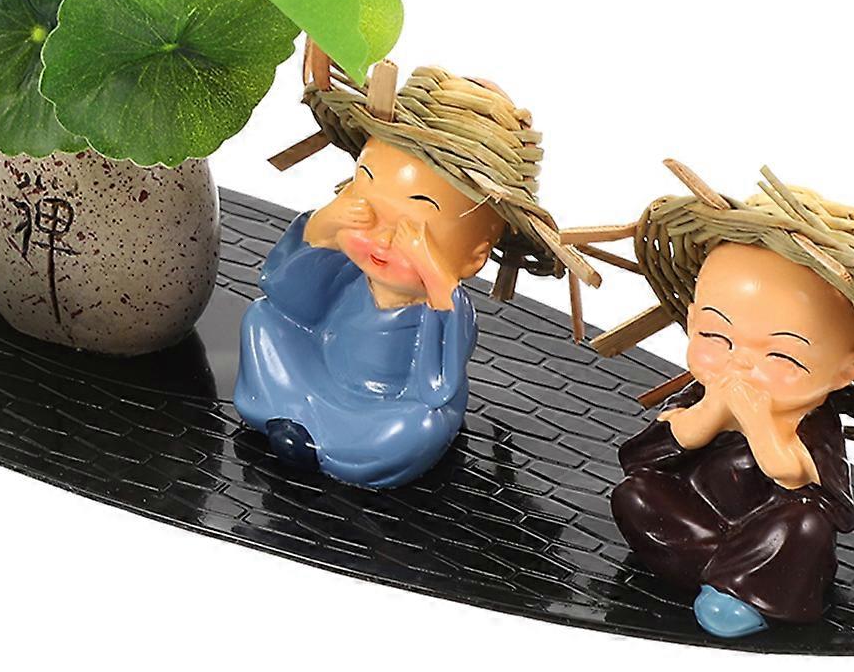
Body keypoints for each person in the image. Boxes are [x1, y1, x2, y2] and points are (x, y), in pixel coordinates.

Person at [596, 168, 854, 637]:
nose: (740, 364)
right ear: (692, 320)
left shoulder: (811, 422)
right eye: (715, 336)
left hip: (771, 536)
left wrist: (757, 421)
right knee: (636, 495)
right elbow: (645, 456)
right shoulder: (703, 393)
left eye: (782, 356)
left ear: (845, 371)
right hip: (700, 524)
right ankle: (727, 573)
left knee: (804, 526)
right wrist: (710, 413)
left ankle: (742, 589)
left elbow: (798, 479)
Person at [235, 64, 596, 489]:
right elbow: (289, 301)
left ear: (474, 257)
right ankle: (295, 419)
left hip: (386, 408)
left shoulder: (444, 305)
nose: (381, 240)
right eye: (368, 211)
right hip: (319, 368)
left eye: (412, 234)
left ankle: (316, 438)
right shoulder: (349, 269)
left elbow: (437, 389)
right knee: (262, 321)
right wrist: (327, 223)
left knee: (419, 427)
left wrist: (432, 273)